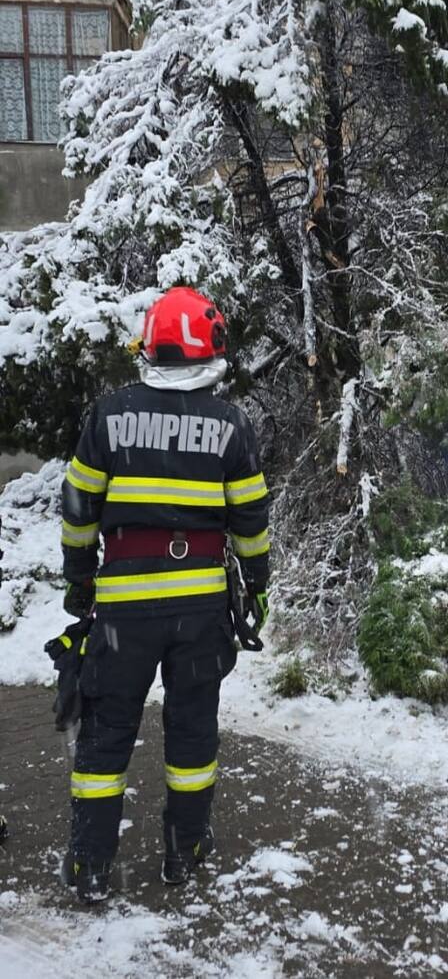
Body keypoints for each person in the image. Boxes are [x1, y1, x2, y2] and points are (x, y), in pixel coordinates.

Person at [58, 286, 270, 903]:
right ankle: (184, 852)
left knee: (107, 728)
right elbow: (250, 521)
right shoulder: (231, 424)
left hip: (124, 606)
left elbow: (78, 506)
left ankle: (91, 864)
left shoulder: (108, 414)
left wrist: (79, 579)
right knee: (192, 730)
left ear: (150, 344)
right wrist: (257, 584)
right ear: (213, 347)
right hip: (200, 609)